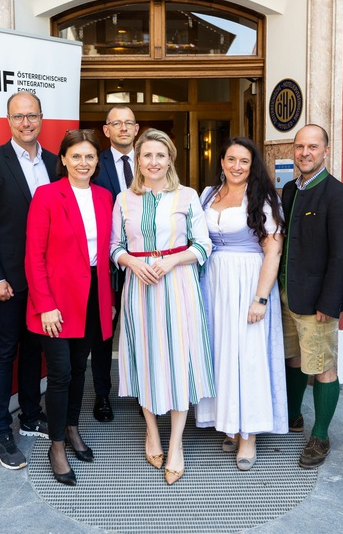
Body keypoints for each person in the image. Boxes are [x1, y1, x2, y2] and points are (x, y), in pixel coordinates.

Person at [111, 128, 214, 485]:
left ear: (170, 158)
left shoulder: (187, 197)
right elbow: (114, 247)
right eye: (146, 155)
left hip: (178, 286)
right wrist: (132, 262)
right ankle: (151, 431)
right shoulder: (124, 199)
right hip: (139, 289)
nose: (153, 162)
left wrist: (171, 262)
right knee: (145, 357)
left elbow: (203, 246)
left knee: (178, 359)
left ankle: (176, 444)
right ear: (137, 161)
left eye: (160, 155)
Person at [0, 91, 57, 470]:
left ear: (42, 118)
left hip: (44, 279)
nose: (26, 122)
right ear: (8, 120)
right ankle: (1, 430)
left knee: (34, 349)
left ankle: (30, 414)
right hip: (7, 279)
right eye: (19, 116)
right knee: (5, 349)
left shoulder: (56, 163)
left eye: (32, 115)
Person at [25, 130, 114, 485]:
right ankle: (57, 445)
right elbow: (34, 256)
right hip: (56, 299)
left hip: (92, 295)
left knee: (80, 367)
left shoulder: (105, 197)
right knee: (60, 372)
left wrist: (107, 302)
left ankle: (73, 427)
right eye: (75, 156)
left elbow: (109, 252)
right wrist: (45, 305)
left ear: (97, 161)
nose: (83, 163)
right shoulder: (47, 195)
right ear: (62, 159)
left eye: (89, 157)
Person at [195, 137, 287, 471]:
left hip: (249, 280)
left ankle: (249, 434)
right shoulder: (207, 194)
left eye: (244, 161)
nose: (236, 166)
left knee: (247, 355)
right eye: (231, 159)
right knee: (222, 352)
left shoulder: (262, 198)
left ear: (253, 165)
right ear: (221, 161)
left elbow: (272, 252)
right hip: (214, 283)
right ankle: (230, 422)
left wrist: (260, 298)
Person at [278, 124, 343, 470]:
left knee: (322, 367)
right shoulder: (289, 190)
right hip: (286, 294)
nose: (305, 152)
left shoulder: (339, 194)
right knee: (293, 359)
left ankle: (320, 435)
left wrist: (328, 302)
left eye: (312, 146)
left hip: (317, 302)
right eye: (299, 147)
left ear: (325, 150)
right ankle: (292, 417)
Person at [91, 105, 140, 422]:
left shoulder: (152, 158)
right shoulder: (95, 164)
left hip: (146, 264)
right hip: (106, 264)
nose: (123, 128)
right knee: (102, 334)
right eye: (116, 123)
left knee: (142, 330)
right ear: (106, 130)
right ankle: (102, 396)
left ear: (137, 129)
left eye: (128, 123)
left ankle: (143, 392)